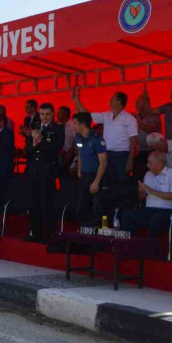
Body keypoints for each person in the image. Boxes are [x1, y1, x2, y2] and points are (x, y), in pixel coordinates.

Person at [73, 86, 138, 183]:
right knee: (109, 182)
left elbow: (133, 139)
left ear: (119, 101)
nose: (110, 101)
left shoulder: (129, 119)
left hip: (122, 155)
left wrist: (130, 160)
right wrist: (77, 100)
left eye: (112, 99)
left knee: (121, 182)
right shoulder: (107, 115)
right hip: (107, 153)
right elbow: (87, 115)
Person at [26, 103, 64, 242]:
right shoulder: (36, 126)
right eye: (42, 114)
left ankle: (49, 235)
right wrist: (34, 144)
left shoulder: (58, 128)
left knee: (47, 203)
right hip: (34, 170)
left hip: (47, 170)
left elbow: (55, 148)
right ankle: (34, 233)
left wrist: (40, 141)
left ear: (53, 114)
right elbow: (27, 149)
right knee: (33, 202)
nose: (44, 117)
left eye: (47, 114)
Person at [121, 151, 172, 238]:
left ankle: (150, 247)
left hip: (167, 211)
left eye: (150, 163)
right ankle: (131, 245)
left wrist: (151, 191)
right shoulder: (148, 175)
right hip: (148, 209)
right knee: (127, 214)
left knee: (156, 218)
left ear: (160, 163)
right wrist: (141, 191)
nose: (147, 165)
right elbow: (142, 198)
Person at [73, 112, 108, 226]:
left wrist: (96, 182)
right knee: (81, 208)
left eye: (75, 123)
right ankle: (83, 235)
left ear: (82, 125)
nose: (73, 126)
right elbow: (80, 154)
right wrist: (79, 171)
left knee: (97, 210)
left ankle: (96, 236)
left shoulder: (97, 139)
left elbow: (103, 162)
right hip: (84, 176)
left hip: (96, 176)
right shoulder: (78, 138)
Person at [134, 91, 162, 179]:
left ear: (145, 103)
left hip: (152, 151)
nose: (136, 104)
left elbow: (151, 129)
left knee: (151, 176)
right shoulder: (136, 116)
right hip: (139, 151)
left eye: (138, 102)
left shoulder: (154, 115)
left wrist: (136, 122)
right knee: (139, 176)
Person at [0, 114, 15, 212]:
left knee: (3, 187)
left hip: (4, 165)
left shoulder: (7, 133)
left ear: (2, 122)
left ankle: (2, 207)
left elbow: (3, 149)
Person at [58, 106, 76, 170]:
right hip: (60, 155)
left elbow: (76, 141)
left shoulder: (72, 125)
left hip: (70, 155)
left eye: (59, 113)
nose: (57, 115)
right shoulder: (58, 125)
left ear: (65, 114)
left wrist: (70, 153)